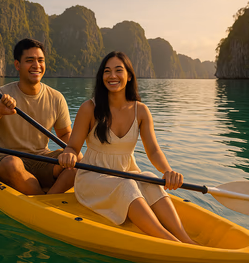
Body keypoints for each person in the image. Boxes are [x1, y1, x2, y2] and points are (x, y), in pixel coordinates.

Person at [58, 51, 196, 244]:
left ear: (129, 76)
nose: (112, 76)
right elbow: (72, 147)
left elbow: (154, 151)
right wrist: (69, 155)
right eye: (107, 71)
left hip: (127, 173)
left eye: (118, 70)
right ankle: (170, 242)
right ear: (101, 76)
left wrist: (168, 171)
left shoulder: (141, 111)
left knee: (149, 178)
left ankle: (185, 239)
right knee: (127, 184)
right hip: (93, 178)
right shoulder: (89, 108)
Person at [0, 38, 79, 195]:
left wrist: (73, 154)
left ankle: (49, 197)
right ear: (17, 65)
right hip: (6, 160)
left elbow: (65, 135)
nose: (36, 65)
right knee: (12, 164)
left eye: (40, 60)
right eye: (30, 60)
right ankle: (42, 199)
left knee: (78, 160)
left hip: (43, 160)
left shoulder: (56, 98)